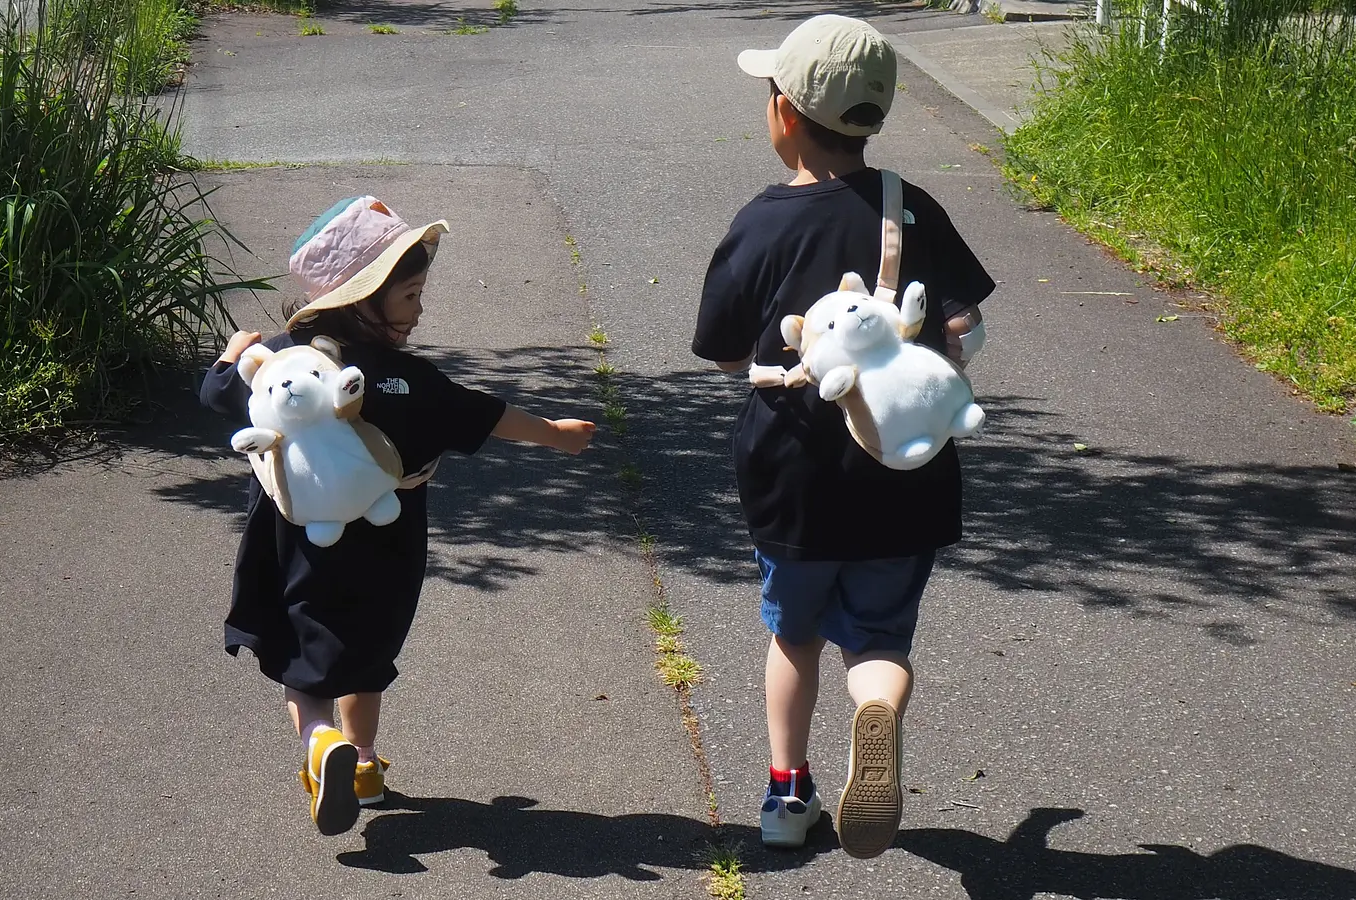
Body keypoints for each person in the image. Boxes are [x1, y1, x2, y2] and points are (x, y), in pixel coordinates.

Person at [691, 15, 996, 859]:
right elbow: (962, 319)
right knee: (880, 638)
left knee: (794, 634)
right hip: (905, 469)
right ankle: (876, 709)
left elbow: (721, 351)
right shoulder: (912, 205)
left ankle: (787, 796)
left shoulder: (760, 223)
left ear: (784, 114)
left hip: (793, 470)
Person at [201, 196, 595, 836]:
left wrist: (232, 352)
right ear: (363, 298)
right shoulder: (411, 379)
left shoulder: (278, 360)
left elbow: (218, 392)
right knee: (367, 647)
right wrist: (556, 432)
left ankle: (321, 744)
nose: (419, 309)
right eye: (409, 295)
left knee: (304, 662)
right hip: (389, 546)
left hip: (293, 541)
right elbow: (485, 414)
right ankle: (361, 765)